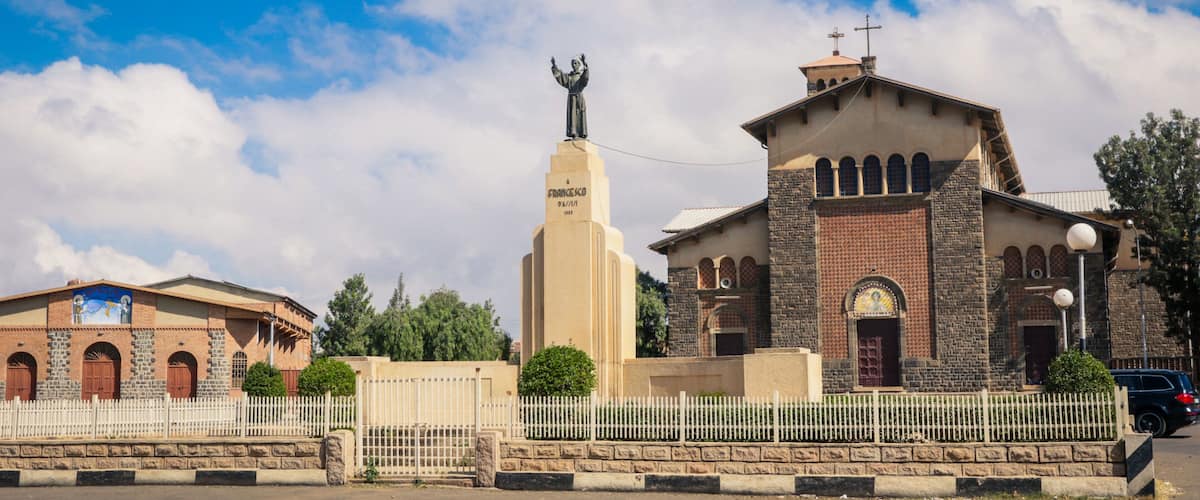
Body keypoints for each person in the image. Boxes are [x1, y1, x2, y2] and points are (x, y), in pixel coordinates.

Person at [551, 54, 589, 139]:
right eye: (573, 63)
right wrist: (554, 67)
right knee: (572, 116)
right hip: (571, 99)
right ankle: (574, 133)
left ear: (579, 65)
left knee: (580, 116)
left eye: (576, 63)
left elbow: (585, 79)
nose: (574, 65)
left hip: (579, 98)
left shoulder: (580, 76)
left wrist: (585, 65)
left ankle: (581, 134)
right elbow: (561, 77)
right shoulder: (569, 77)